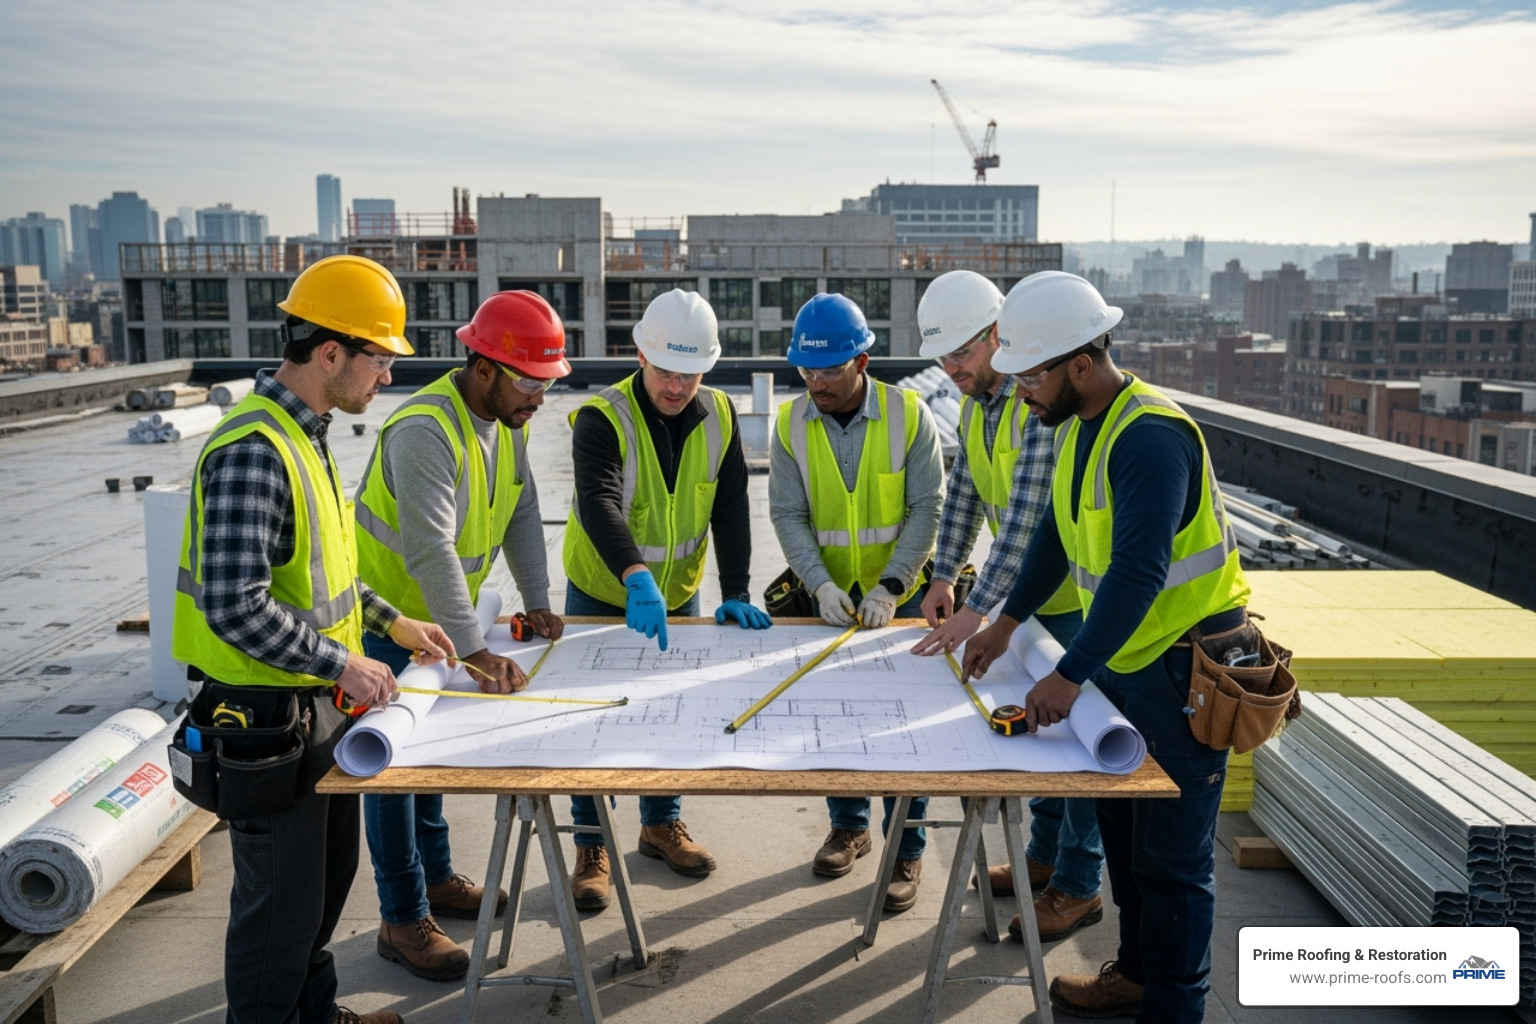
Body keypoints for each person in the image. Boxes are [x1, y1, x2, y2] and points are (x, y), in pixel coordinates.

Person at [172, 254, 456, 1024]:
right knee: (278, 913)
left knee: (325, 885)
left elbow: (320, 574)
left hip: (311, 710)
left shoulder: (308, 434)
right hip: (260, 719)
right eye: (381, 358)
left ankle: (317, 1015)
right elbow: (235, 606)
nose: (388, 377)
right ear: (330, 351)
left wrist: (388, 621)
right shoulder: (253, 450)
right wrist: (345, 663)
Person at [962, 271, 1251, 1023]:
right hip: (1132, 662)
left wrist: (1071, 674)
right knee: (1124, 837)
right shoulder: (1082, 426)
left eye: (1031, 374)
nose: (1020, 389)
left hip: (1184, 665)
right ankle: (1135, 974)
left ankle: (1173, 1008)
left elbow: (1138, 571)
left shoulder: (1149, 436)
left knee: (1176, 861)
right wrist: (1002, 623)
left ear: (1080, 365)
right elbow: (1057, 538)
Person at [352, 290, 571, 980]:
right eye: (532, 382)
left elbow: (522, 509)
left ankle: (439, 877)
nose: (540, 397)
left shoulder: (509, 421)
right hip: (387, 622)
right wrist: (473, 649)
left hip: (441, 623)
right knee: (393, 771)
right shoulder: (425, 430)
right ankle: (402, 916)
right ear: (485, 368)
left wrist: (536, 601)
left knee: (432, 753)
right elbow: (429, 549)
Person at [908, 270, 1105, 944]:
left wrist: (980, 611)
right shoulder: (976, 404)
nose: (951, 369)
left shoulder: (1036, 402)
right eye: (942, 358)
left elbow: (1026, 518)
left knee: (1080, 745)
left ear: (996, 337)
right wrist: (944, 578)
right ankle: (1042, 857)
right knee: (1046, 735)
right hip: (1030, 601)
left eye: (960, 354)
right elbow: (965, 490)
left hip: (1072, 600)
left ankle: (1078, 885)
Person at [562, 287, 770, 911]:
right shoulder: (604, 415)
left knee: (669, 711)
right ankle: (591, 843)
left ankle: (660, 823)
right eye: (665, 371)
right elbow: (599, 499)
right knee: (592, 719)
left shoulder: (722, 414)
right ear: (640, 355)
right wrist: (633, 574)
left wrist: (734, 589)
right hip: (604, 590)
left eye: (690, 373)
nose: (677, 387)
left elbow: (731, 505)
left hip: (677, 591)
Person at [767, 292, 942, 913]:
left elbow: (928, 508)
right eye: (807, 371)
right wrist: (818, 584)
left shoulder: (909, 415)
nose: (817, 383)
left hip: (901, 598)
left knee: (901, 730)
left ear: (861, 361)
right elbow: (787, 514)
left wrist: (894, 586)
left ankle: (907, 848)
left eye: (830, 371)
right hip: (830, 600)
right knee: (833, 723)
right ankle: (850, 826)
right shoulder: (789, 424)